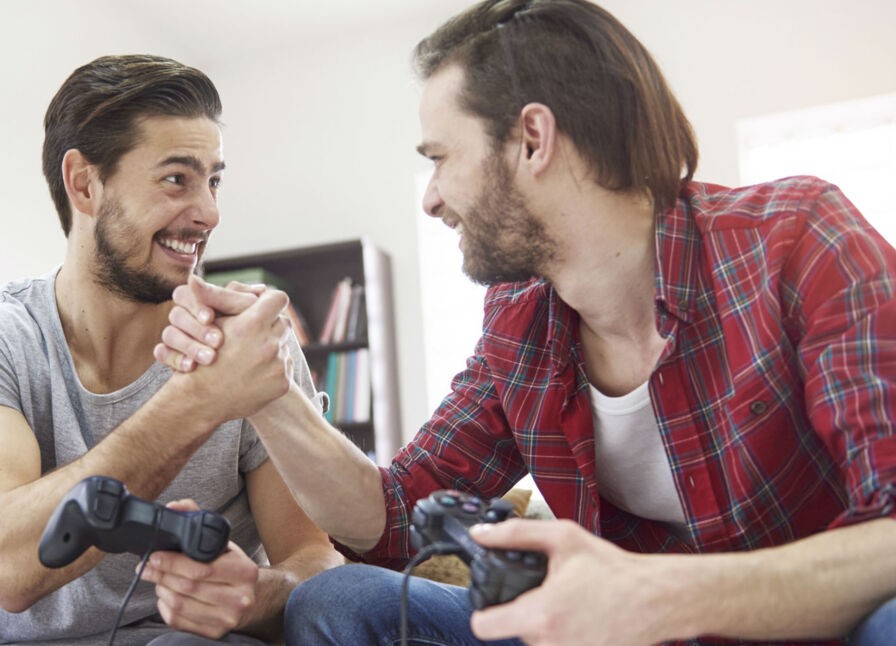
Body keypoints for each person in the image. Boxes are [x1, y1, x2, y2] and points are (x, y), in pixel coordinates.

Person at [151, 1, 896, 644]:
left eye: (441, 159)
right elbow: (392, 519)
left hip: (810, 626)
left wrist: (653, 595)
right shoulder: (520, 317)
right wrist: (270, 391)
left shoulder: (797, 238)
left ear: (533, 140)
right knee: (339, 601)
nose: (432, 199)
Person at [0, 54, 341, 646]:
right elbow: (4, 567)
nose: (210, 213)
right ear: (84, 184)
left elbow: (314, 561)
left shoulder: (251, 341)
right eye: (177, 179)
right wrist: (199, 402)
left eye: (213, 180)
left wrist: (255, 594)